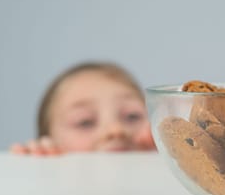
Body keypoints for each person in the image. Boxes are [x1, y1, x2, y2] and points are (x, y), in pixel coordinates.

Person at [10, 61, 156, 156]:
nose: (115, 130)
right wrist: (35, 161)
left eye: (132, 116)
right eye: (85, 122)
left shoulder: (159, 168)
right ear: (48, 138)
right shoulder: (46, 160)